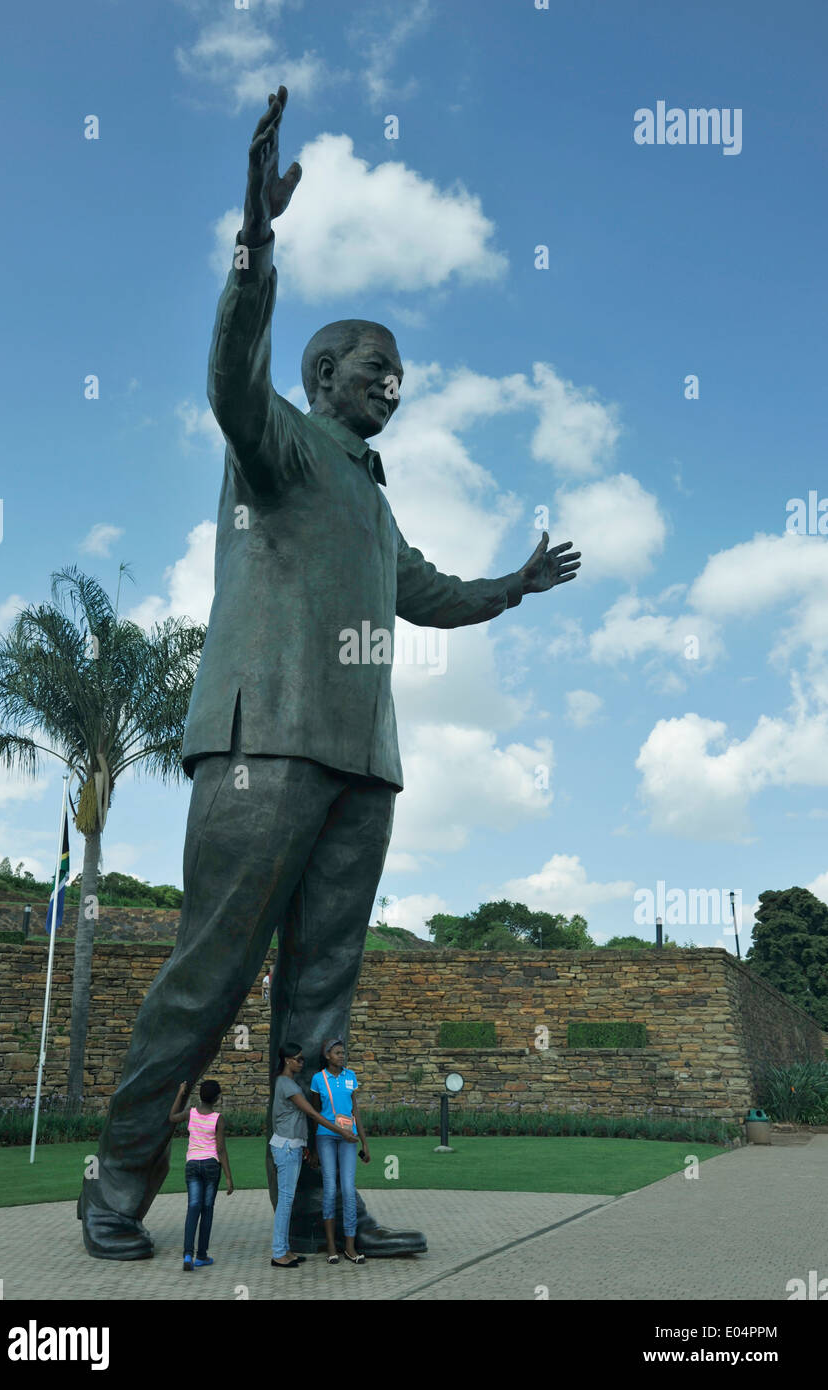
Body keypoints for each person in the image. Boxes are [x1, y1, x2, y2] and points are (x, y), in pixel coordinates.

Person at [78, 85, 580, 1262]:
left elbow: (431, 592)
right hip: (264, 744)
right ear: (322, 374)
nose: (392, 381)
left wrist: (513, 582)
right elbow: (228, 376)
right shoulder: (280, 442)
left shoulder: (371, 497)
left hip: (362, 761)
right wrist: (255, 244)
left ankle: (309, 1205)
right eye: (375, 364)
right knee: (210, 973)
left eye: (401, 370)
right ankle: (116, 1182)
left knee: (322, 1001)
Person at [270, 1040, 358, 1267]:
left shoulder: (286, 1082)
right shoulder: (286, 1084)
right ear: (288, 1061)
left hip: (293, 1145)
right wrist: (342, 1132)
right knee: (286, 1201)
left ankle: (285, 1250)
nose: (302, 1063)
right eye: (298, 1059)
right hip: (287, 1146)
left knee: (287, 1200)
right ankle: (279, 1252)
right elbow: (313, 1114)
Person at [310, 1039, 369, 1264]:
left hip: (349, 1138)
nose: (341, 1056)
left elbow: (356, 1111)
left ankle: (350, 1247)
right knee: (330, 1189)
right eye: (337, 1053)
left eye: (343, 1052)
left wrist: (365, 1142)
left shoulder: (350, 1077)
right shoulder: (318, 1079)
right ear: (327, 1056)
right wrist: (313, 1148)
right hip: (326, 1137)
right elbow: (315, 1113)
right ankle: (332, 1246)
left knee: (347, 1189)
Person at [168, 1079, 234, 1271]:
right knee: (207, 1209)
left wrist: (180, 1093)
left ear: (200, 1096)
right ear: (217, 1098)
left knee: (193, 1207)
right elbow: (221, 1150)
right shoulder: (218, 1119)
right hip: (211, 1165)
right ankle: (202, 1256)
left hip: (192, 1166)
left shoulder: (190, 1113)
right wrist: (229, 1177)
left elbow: (171, 1117)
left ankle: (188, 1254)